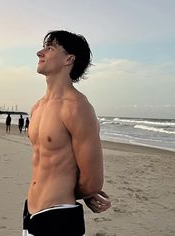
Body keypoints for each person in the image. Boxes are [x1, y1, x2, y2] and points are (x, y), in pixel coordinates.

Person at [23, 30, 111, 236]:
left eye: (49, 48)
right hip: (30, 211)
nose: (40, 52)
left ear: (69, 59)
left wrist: (77, 193)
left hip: (59, 217)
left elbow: (93, 181)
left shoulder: (77, 107)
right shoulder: (37, 107)